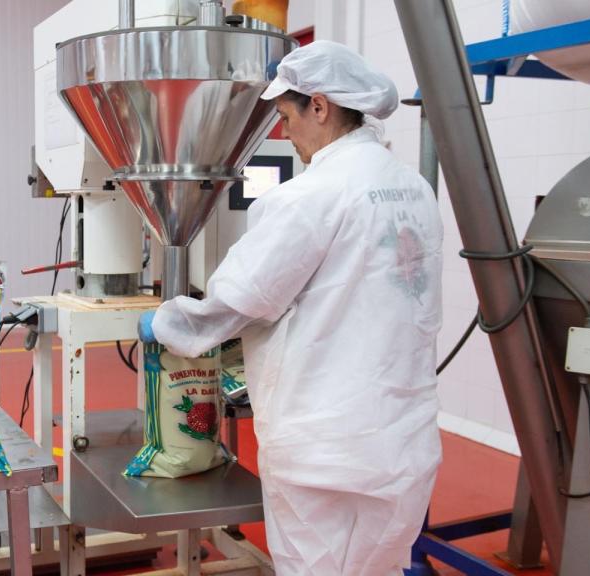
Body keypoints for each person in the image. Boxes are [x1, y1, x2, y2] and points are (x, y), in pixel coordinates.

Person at [139, 41, 444, 575]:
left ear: (320, 106)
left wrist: (166, 323)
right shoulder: (412, 188)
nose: (284, 133)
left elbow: (240, 299)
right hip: (401, 440)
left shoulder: (311, 195)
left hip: (321, 443)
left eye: (285, 116)